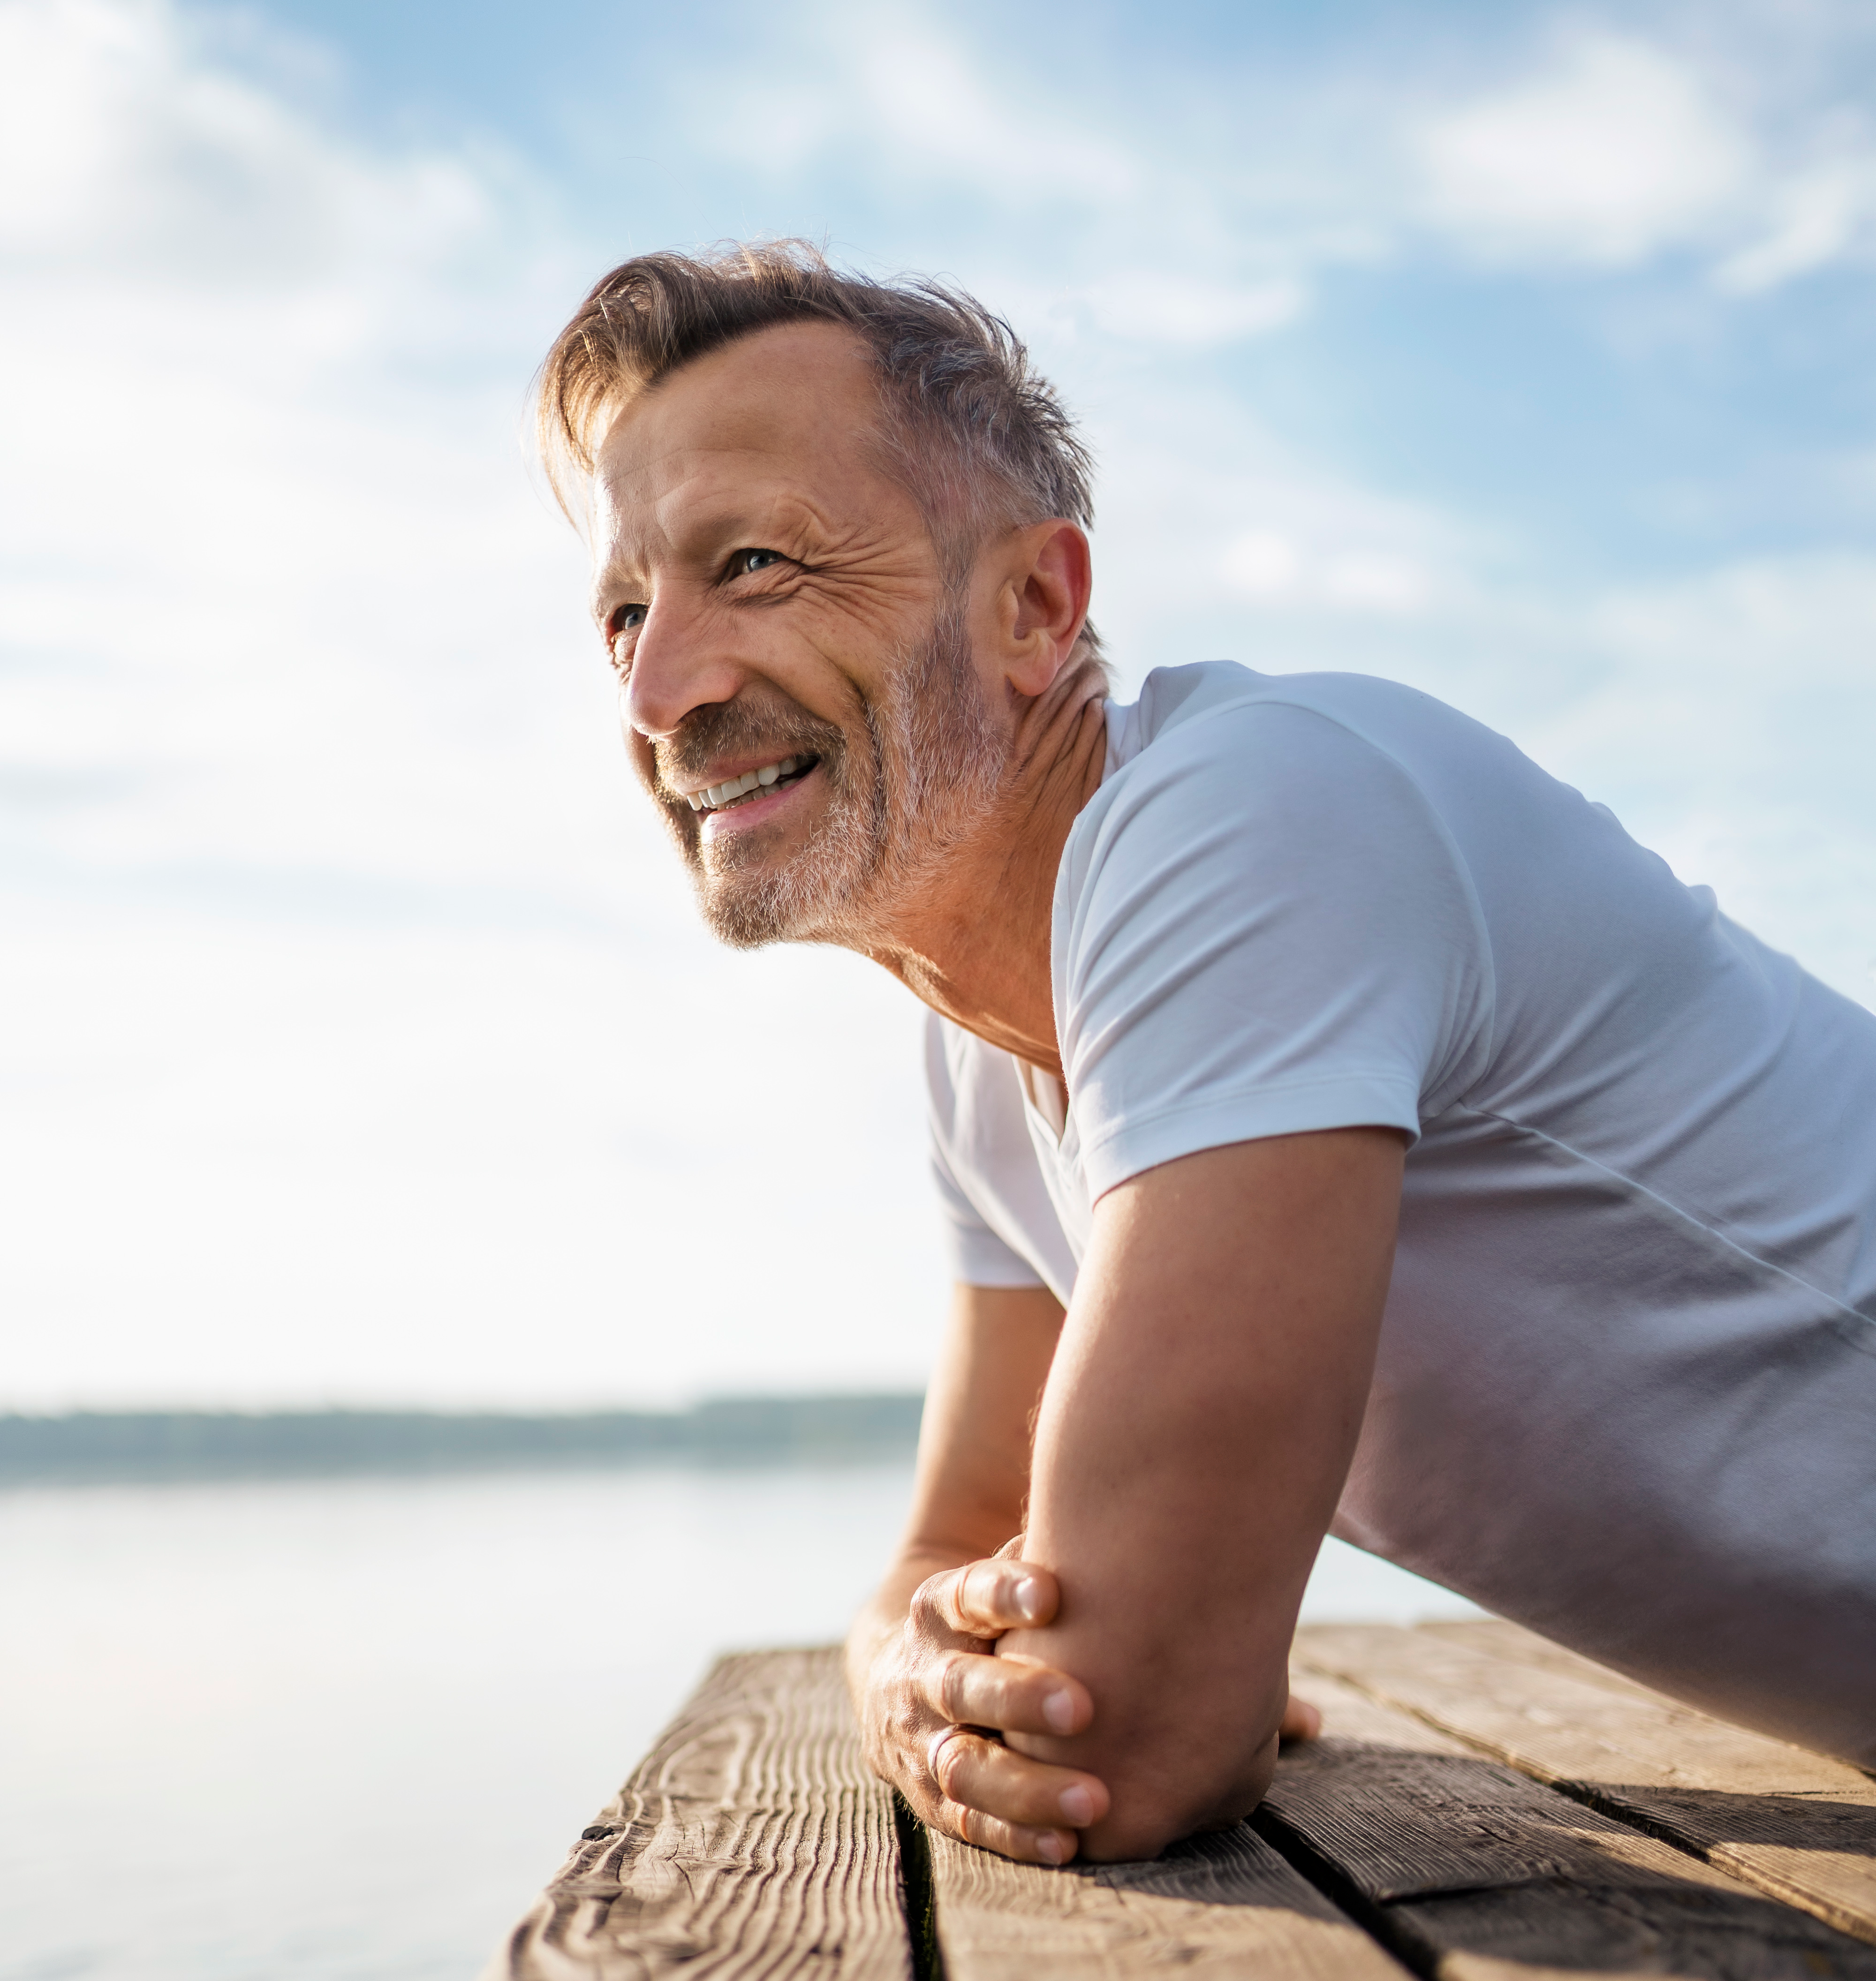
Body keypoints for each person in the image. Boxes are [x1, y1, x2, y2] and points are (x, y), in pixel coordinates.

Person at [534, 240, 1876, 1867]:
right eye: (623, 609)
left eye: (753, 565)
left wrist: (1048, 1659)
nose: (662, 689)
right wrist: (909, 1672)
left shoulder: (1249, 822)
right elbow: (951, 1558)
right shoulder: (984, 1059)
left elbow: (1134, 1732)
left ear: (1035, 605)